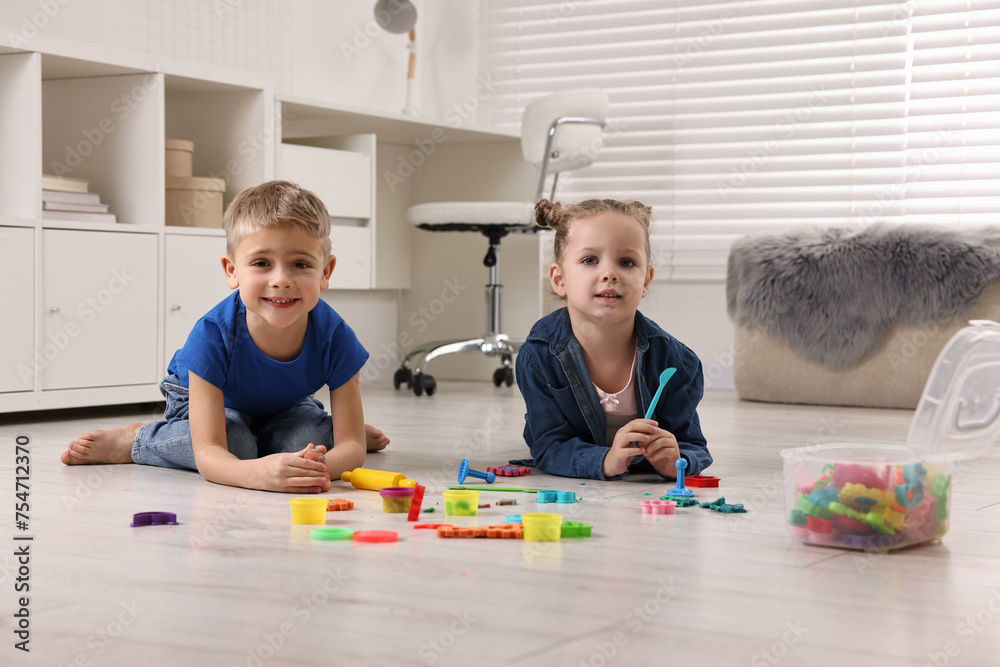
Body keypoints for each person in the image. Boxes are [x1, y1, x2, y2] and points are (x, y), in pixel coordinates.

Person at [61, 180, 389, 493]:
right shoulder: (214, 334)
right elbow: (210, 455)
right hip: (206, 400)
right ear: (232, 270)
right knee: (238, 447)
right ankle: (137, 441)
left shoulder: (336, 336)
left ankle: (312, 432)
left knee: (305, 443)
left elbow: (352, 451)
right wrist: (257, 475)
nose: (281, 280)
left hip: (284, 403)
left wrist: (325, 462)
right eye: (261, 263)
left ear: (326, 272)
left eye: (300, 264)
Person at [514, 198, 712, 480]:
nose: (609, 274)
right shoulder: (538, 357)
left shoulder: (678, 363)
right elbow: (549, 445)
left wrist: (678, 460)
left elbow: (692, 445)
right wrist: (605, 460)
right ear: (559, 280)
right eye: (589, 260)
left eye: (627, 262)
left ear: (646, 280)